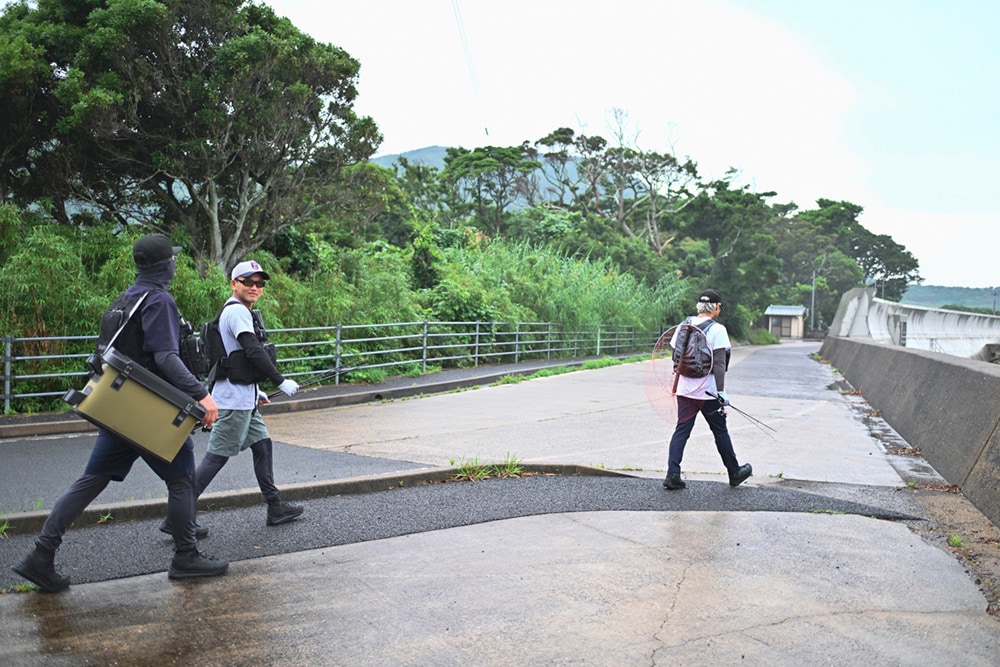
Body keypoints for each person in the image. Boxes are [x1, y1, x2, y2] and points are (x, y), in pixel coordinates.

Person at [12, 234, 228, 592]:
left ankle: (40, 556)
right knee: (182, 480)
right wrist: (203, 396)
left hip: (120, 409)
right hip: (151, 412)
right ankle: (186, 556)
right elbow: (165, 356)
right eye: (172, 260)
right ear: (163, 265)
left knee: (90, 480)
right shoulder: (158, 300)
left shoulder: (124, 300)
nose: (174, 264)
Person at [160, 259, 303, 536]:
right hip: (232, 403)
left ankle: (275, 507)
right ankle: (176, 518)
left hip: (243, 399)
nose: (254, 287)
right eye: (247, 281)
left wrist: (255, 390)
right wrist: (279, 380)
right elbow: (252, 350)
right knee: (215, 459)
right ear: (234, 284)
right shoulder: (237, 312)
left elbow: (234, 360)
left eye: (259, 283)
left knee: (263, 446)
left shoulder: (237, 311)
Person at [663, 288, 752, 490]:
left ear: (699, 306)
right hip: (709, 391)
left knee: (682, 430)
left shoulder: (684, 325)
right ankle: (734, 472)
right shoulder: (718, 329)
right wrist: (721, 392)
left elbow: (675, 353)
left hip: (685, 389)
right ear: (717, 307)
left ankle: (672, 474)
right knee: (720, 430)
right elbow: (719, 363)